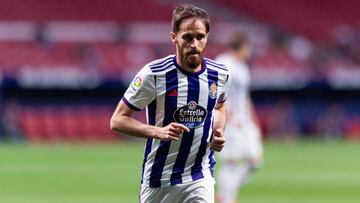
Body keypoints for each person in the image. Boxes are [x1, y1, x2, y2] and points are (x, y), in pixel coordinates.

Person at [110, 4, 230, 203]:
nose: (194, 44)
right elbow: (117, 120)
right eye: (188, 37)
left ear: (207, 37)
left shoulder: (220, 74)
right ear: (174, 36)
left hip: (199, 176)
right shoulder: (155, 74)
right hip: (159, 179)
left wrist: (218, 130)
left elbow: (219, 107)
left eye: (200, 37)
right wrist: (158, 132)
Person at [215, 33, 263, 203]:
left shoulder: (243, 67)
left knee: (255, 160)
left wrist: (253, 118)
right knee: (231, 162)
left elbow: (245, 96)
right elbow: (220, 92)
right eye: (248, 47)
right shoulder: (224, 62)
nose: (250, 51)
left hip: (245, 122)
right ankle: (227, 198)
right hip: (230, 121)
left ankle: (225, 194)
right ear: (241, 46)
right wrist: (229, 115)